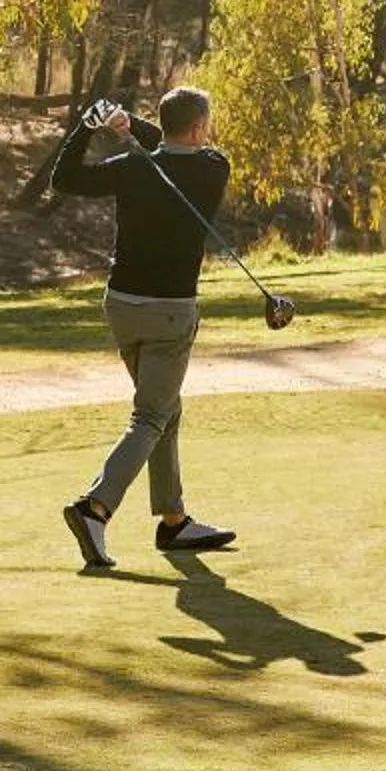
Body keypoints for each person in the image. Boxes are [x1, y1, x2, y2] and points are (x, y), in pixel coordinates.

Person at [52, 86, 240, 569]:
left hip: (121, 306)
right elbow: (173, 143)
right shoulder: (213, 168)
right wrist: (132, 125)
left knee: (163, 409)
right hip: (171, 314)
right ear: (200, 128)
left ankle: (174, 522)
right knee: (151, 417)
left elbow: (64, 177)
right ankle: (94, 508)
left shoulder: (133, 168)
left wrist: (91, 127)